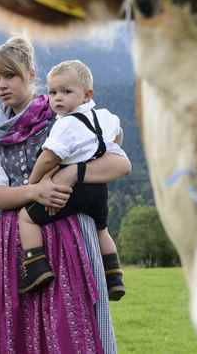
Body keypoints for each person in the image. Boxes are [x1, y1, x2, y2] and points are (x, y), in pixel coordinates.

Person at [0, 37, 131, 354]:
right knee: (17, 328)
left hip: (68, 229)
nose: (3, 85)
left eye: (11, 76)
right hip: (14, 237)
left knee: (70, 323)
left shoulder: (63, 117)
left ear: (31, 75)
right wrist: (35, 190)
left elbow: (118, 162)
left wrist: (70, 174)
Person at [17, 60, 126, 300]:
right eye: (53, 92)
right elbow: (118, 135)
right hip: (98, 190)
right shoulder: (105, 116)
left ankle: (35, 265)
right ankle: (114, 274)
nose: (58, 98)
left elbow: (48, 159)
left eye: (66, 92)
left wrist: (32, 186)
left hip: (71, 191)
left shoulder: (65, 125)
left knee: (26, 218)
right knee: (101, 228)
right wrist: (107, 150)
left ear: (87, 95)